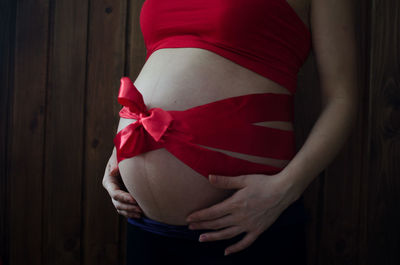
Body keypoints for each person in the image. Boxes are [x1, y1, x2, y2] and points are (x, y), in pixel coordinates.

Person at [102, 0, 358, 264]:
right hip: (145, 225)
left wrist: (285, 188)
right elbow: (166, 62)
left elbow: (342, 99)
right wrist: (118, 153)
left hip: (248, 223)